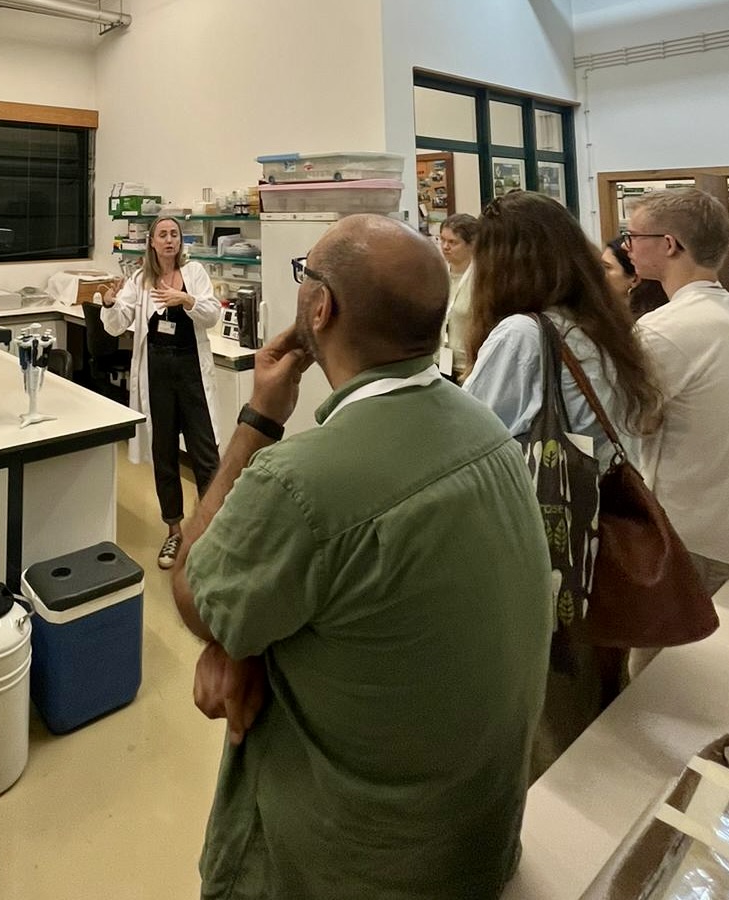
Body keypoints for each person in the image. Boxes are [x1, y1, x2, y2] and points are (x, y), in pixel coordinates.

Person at [172, 214, 553, 899]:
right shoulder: (486, 429)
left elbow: (196, 596)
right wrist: (249, 646)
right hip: (474, 844)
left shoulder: (299, 482)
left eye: (304, 275)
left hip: (346, 867)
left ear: (322, 307)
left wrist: (258, 421)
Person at [462, 190, 663, 772]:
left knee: (546, 710)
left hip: (542, 536)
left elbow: (473, 435)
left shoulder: (523, 334)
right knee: (591, 688)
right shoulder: (599, 325)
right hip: (598, 531)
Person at [626, 187, 729, 600]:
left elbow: (632, 422)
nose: (628, 248)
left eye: (633, 237)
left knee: (656, 663)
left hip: (696, 538)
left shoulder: (664, 329)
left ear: (670, 244)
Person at [101, 216, 221, 569]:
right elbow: (118, 322)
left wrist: (185, 299)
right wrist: (109, 302)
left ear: (180, 242)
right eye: (162, 235)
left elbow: (211, 314)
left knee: (205, 453)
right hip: (157, 373)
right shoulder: (140, 280)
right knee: (164, 451)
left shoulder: (195, 273)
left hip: (191, 371)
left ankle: (213, 531)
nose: (169, 240)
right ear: (151, 242)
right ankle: (174, 531)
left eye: (174, 235)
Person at [438, 212, 478, 376]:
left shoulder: (481, 279)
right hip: (439, 363)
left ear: (471, 245)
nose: (445, 246)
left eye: (453, 242)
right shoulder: (437, 274)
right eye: (442, 240)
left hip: (467, 367)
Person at [602, 235, 668, 320]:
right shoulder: (604, 316)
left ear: (635, 278)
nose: (598, 273)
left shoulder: (649, 323)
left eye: (607, 267)